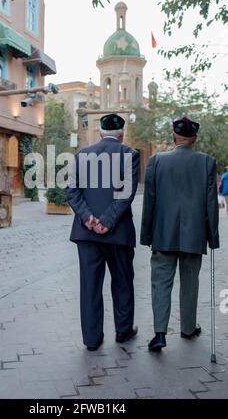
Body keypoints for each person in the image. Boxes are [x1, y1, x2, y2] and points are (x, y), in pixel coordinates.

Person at [140, 116, 219, 352]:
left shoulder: (156, 161)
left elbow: (149, 202)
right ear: (194, 138)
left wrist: (146, 235)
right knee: (190, 283)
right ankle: (187, 328)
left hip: (163, 235)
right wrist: (212, 237)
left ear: (174, 136)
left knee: (160, 283)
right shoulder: (207, 162)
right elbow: (211, 204)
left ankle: (160, 334)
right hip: (194, 235)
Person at [67, 113, 139, 351]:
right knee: (122, 283)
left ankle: (91, 339)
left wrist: (89, 219)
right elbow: (126, 193)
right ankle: (123, 331)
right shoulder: (130, 155)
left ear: (100, 132)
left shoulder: (81, 155)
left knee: (90, 286)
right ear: (122, 133)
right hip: (117, 234)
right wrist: (107, 221)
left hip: (86, 234)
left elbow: (72, 192)